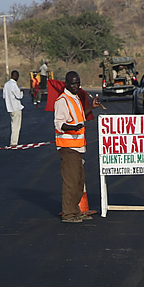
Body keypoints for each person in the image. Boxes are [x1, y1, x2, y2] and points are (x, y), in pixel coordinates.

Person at [54, 71, 102, 223]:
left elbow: (80, 117)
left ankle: (76, 210)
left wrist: (91, 108)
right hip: (68, 147)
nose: (76, 86)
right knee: (70, 181)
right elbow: (59, 124)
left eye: (78, 82)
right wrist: (73, 127)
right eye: (73, 83)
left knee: (79, 182)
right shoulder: (62, 101)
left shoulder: (75, 99)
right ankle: (68, 214)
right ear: (66, 84)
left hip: (78, 146)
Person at [3, 70, 24, 146]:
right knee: (16, 126)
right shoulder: (13, 85)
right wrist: (21, 91)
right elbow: (19, 96)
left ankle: (13, 141)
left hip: (10, 108)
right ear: (15, 76)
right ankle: (14, 142)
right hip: (16, 107)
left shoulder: (6, 85)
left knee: (13, 125)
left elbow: (4, 96)